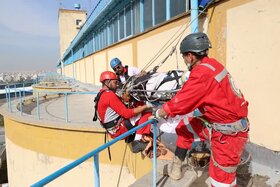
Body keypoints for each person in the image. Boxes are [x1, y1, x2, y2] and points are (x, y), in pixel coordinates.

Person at [154, 32, 249, 186]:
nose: (185, 60)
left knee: (221, 181)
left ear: (190, 56)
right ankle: (176, 168)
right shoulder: (213, 65)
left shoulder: (201, 73)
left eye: (184, 56)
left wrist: (158, 113)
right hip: (221, 123)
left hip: (228, 135)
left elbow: (179, 103)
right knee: (184, 126)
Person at [93, 71, 152, 153]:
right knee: (147, 113)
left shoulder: (101, 94)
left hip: (112, 130)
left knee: (138, 106)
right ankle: (137, 141)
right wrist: (147, 106)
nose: (117, 85)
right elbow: (127, 114)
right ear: (108, 82)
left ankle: (139, 133)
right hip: (119, 130)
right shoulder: (109, 95)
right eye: (115, 82)